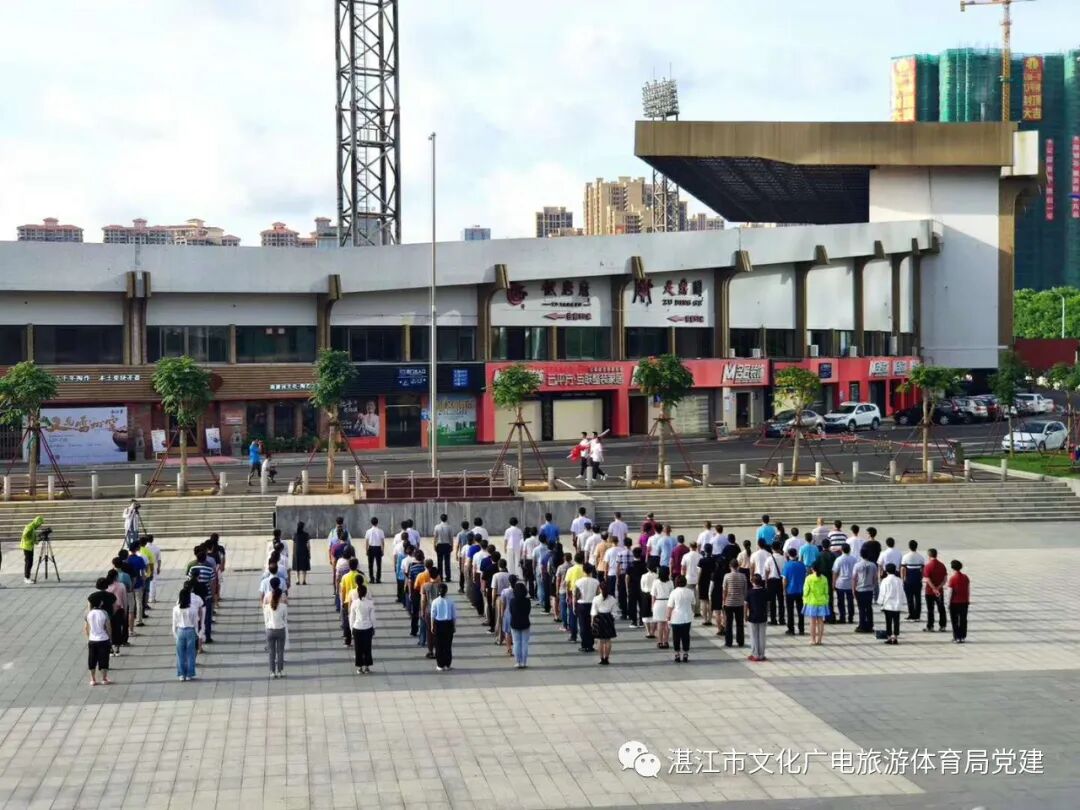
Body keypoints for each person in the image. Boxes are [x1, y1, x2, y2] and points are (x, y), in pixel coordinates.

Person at [172, 588, 200, 681]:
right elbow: (196, 623)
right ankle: (189, 674)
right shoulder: (193, 609)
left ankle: (181, 674)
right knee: (191, 654)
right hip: (190, 631)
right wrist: (197, 633)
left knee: (180, 654)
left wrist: (175, 635)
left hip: (180, 631)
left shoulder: (176, 609)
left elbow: (174, 623)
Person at [263, 578, 288, 678]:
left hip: (270, 630)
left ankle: (272, 672)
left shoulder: (267, 606)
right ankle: (280, 671)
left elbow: (266, 619)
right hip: (280, 629)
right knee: (280, 651)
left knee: (271, 652)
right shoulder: (283, 606)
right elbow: (285, 618)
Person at [350, 584, 376, 673]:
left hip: (357, 627)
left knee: (358, 648)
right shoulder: (370, 603)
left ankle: (360, 667)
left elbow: (352, 617)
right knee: (367, 647)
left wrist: (351, 628)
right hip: (367, 627)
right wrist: (374, 627)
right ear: (366, 593)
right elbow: (372, 617)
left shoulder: (354, 603)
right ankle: (367, 666)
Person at [667, 575, 694, 663]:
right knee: (686, 636)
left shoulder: (674, 592)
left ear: (676, 583)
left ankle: (677, 654)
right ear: (685, 582)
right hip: (687, 617)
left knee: (676, 637)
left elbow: (670, 606)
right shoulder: (690, 592)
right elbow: (693, 603)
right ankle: (685, 653)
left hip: (676, 618)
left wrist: (668, 617)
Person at [85, 601, 113, 686]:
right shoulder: (104, 613)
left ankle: (93, 679)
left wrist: (88, 638)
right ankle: (104, 678)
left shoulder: (88, 613)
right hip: (103, 639)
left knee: (92, 660)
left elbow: (86, 628)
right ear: (100, 604)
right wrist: (110, 638)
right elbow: (108, 627)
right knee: (104, 659)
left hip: (92, 639)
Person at [590, 580, 618, 665]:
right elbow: (614, 613)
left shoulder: (596, 599)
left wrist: (592, 621)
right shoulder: (612, 599)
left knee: (600, 640)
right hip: (608, 618)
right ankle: (607, 658)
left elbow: (594, 612)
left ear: (600, 589)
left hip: (599, 618)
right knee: (608, 640)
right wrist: (612, 619)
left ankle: (602, 658)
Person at [574, 564, 600, 653]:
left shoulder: (578, 582)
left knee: (583, 625)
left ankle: (584, 644)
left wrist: (574, 605)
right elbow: (598, 594)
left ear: (583, 570)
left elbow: (576, 595)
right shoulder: (596, 582)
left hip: (582, 604)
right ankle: (590, 644)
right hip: (592, 604)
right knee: (591, 625)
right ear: (591, 571)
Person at [852, 549, 879, 634]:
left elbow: (854, 578)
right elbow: (875, 578)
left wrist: (853, 589)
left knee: (861, 608)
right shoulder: (873, 565)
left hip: (860, 589)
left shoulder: (857, 565)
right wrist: (874, 587)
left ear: (861, 555)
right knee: (869, 608)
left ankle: (862, 625)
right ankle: (870, 625)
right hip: (869, 589)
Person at [721, 559, 747, 648]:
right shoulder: (743, 576)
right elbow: (745, 590)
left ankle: (729, 642)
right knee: (740, 623)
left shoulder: (727, 576)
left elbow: (724, 590)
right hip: (739, 602)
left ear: (730, 566)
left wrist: (723, 601)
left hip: (729, 602)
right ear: (738, 566)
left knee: (728, 623)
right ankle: (740, 641)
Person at [802, 565, 830, 646]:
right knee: (821, 621)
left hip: (812, 601)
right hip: (822, 601)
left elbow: (806, 591)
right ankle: (820, 640)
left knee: (812, 621)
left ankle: (813, 640)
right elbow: (826, 591)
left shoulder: (809, 578)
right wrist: (826, 599)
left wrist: (804, 598)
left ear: (812, 569)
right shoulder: (824, 578)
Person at [877, 563, 905, 645]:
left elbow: (882, 593)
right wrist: (902, 601)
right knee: (896, 621)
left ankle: (889, 637)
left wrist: (880, 602)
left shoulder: (885, 580)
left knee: (888, 621)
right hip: (897, 604)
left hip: (888, 604)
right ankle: (895, 637)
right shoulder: (899, 580)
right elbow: (901, 592)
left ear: (886, 571)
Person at [923, 548, 949, 632]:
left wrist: (933, 588)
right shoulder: (942, 565)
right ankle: (943, 626)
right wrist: (938, 588)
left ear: (929, 555)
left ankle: (930, 626)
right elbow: (945, 579)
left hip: (929, 591)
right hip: (940, 591)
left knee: (930, 609)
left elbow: (927, 579)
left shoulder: (928, 566)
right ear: (936, 555)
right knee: (941, 608)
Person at [782, 548, 806, 636]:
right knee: (800, 610)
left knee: (790, 611)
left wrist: (783, 589)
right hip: (800, 590)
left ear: (789, 555)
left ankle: (791, 629)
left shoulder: (787, 565)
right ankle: (801, 629)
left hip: (790, 591)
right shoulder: (802, 565)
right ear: (796, 554)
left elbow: (785, 580)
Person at [901, 540, 926, 621]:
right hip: (917, 579)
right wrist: (921, 577)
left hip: (908, 579)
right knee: (918, 598)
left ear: (909, 547)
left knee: (909, 598)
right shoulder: (920, 557)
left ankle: (911, 614)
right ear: (916, 547)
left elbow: (903, 568)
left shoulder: (905, 557)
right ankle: (917, 615)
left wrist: (903, 579)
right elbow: (923, 569)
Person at [746, 574, 769, 662]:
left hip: (752, 616)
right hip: (763, 615)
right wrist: (767, 613)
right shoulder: (765, 591)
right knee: (762, 636)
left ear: (753, 582)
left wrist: (745, 615)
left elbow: (746, 605)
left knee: (753, 636)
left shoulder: (749, 592)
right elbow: (768, 604)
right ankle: (762, 654)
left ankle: (755, 654)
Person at [832, 543, 857, 624]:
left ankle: (842, 617)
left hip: (841, 583)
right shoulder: (854, 559)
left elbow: (835, 572)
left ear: (841, 550)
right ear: (849, 550)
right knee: (850, 601)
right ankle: (850, 617)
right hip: (850, 583)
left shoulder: (839, 559)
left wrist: (833, 583)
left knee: (841, 601)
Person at [650, 566, 674, 650]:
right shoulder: (670, 582)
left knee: (660, 624)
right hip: (668, 602)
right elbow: (672, 595)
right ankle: (666, 641)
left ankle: (659, 642)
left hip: (658, 602)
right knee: (667, 624)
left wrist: (652, 606)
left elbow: (653, 595)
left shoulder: (655, 582)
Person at [508, 581, 532, 668]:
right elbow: (528, 611)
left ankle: (518, 661)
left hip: (515, 623)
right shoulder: (527, 601)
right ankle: (524, 662)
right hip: (525, 622)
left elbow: (511, 611)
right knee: (525, 643)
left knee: (516, 642)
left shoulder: (512, 601)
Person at [947, 560, 970, 643]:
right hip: (964, 602)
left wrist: (948, 603)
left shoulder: (952, 579)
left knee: (955, 620)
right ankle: (962, 636)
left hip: (954, 602)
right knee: (963, 620)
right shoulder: (965, 577)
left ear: (952, 568)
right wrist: (968, 599)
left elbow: (950, 592)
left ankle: (956, 637)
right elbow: (968, 589)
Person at [20, 516, 44, 584]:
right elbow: (25, 535)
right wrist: (30, 540)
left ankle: (27, 577)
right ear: (37, 522)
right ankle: (26, 578)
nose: (39, 526)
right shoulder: (30, 527)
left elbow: (33, 539)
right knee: (28, 562)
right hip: (27, 546)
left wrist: (38, 540)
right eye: (39, 524)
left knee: (30, 562)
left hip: (29, 546)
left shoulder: (33, 527)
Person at [639, 562, 658, 639]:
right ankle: (653, 632)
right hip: (655, 595)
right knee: (654, 613)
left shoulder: (643, 576)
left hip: (645, 594)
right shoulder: (657, 576)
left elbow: (642, 587)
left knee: (645, 613)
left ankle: (648, 632)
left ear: (647, 568)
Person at [432, 514, 453, 582]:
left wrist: (434, 545)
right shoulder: (449, 527)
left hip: (439, 545)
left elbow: (435, 537)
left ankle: (440, 576)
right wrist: (452, 546)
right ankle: (448, 577)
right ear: (446, 519)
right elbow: (451, 538)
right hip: (447, 545)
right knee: (447, 562)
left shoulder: (437, 526)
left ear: (440, 519)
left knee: (439, 562)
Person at [364, 517, 385, 583]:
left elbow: (367, 542)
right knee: (379, 564)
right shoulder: (381, 531)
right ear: (377, 522)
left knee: (370, 565)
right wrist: (383, 550)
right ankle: (378, 579)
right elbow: (382, 542)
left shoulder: (368, 531)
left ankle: (371, 578)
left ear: (371, 523)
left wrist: (366, 550)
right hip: (378, 548)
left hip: (371, 548)